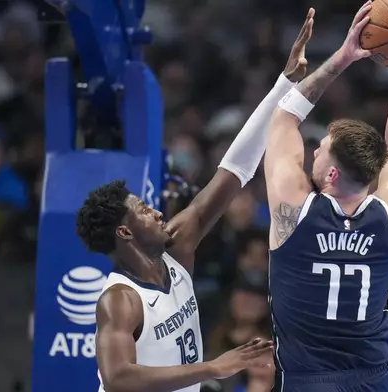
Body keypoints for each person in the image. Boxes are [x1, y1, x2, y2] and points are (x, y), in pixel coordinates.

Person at [75, 11, 315, 392]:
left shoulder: (177, 245)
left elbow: (234, 170)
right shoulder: (120, 299)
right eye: (142, 210)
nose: (155, 210)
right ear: (124, 231)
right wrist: (214, 368)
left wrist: (283, 86)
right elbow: (118, 377)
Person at [263, 4, 388, 391]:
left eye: (321, 148)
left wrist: (343, 57)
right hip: (376, 380)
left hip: (310, 380)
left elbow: (284, 117)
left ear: (333, 173)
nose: (314, 152)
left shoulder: (294, 209)